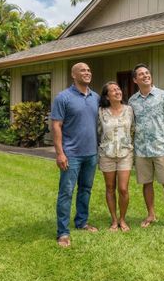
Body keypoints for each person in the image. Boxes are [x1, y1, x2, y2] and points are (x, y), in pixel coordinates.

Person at [128, 63, 164, 233]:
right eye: (141, 74)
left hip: (161, 148)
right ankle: (151, 214)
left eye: (147, 73)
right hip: (141, 150)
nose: (145, 75)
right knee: (147, 183)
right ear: (135, 80)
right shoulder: (132, 101)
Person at [51, 62, 100, 248]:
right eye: (82, 70)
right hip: (71, 154)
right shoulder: (63, 97)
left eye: (89, 70)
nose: (87, 72)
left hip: (91, 153)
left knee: (86, 190)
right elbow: (56, 126)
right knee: (66, 192)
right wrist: (60, 153)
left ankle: (82, 222)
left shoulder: (95, 97)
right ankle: (62, 232)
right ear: (74, 75)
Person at [97, 81, 134, 232]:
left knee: (123, 189)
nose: (118, 91)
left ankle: (123, 219)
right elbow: (98, 130)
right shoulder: (101, 111)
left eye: (118, 88)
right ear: (107, 96)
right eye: (113, 90)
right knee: (110, 187)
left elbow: (133, 129)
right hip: (107, 154)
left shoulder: (129, 110)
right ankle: (114, 220)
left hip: (125, 153)